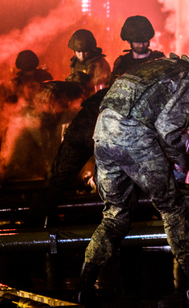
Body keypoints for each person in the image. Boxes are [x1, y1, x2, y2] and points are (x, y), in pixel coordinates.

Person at [76, 34, 189, 304]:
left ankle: (83, 287)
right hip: (134, 137)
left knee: (114, 215)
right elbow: (167, 129)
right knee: (173, 209)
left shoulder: (163, 66)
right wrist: (182, 162)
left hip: (103, 133)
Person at [27, 17, 166, 227]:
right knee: (67, 178)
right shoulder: (121, 64)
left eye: (145, 40)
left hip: (134, 125)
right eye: (138, 40)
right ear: (129, 40)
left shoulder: (158, 62)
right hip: (111, 124)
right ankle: (36, 226)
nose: (142, 43)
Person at [110, 16, 165, 85]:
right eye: (137, 42)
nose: (141, 45)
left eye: (144, 41)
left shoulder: (159, 60)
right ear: (129, 41)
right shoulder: (122, 64)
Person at [68, 29, 111, 96]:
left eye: (85, 51)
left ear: (91, 49)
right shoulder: (74, 62)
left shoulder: (99, 64)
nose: (81, 55)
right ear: (74, 51)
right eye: (78, 52)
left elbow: (102, 90)